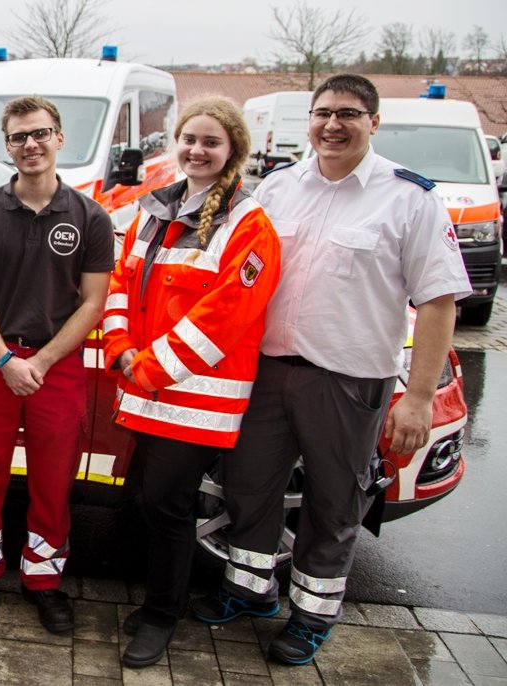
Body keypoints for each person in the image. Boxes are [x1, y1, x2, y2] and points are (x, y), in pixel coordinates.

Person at [192, 75, 470, 665]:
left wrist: (418, 397)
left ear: (373, 122)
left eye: (349, 113)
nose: (333, 125)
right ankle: (249, 591)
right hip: (267, 372)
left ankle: (313, 615)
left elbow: (440, 301)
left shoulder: (409, 198)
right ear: (309, 120)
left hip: (348, 381)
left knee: (333, 501)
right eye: (323, 113)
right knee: (248, 485)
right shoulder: (278, 189)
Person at [101, 96, 281, 667]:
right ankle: (162, 602)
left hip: (196, 401)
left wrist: (146, 367)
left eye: (210, 142)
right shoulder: (155, 208)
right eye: (188, 140)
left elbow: (224, 320)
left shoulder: (248, 222)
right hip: (149, 389)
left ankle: (161, 616)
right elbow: (120, 283)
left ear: (233, 151)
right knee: (144, 502)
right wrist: (119, 346)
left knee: (166, 504)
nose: (196, 150)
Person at [0, 96, 112, 634]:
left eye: (41, 133)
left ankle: (42, 579)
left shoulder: (90, 217)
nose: (31, 144)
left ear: (59, 139)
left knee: (53, 477)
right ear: (7, 146)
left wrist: (38, 361)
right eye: (20, 136)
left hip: (57, 364)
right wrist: (4, 357)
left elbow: (92, 303)